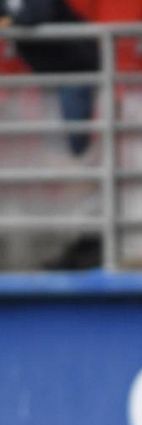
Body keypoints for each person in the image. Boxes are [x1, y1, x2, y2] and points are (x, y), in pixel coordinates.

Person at [1, 0, 101, 268]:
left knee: (75, 156)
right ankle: (81, 238)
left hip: (75, 73)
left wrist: (9, 21)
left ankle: (91, 238)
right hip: (53, 78)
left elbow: (35, 16)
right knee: (61, 158)